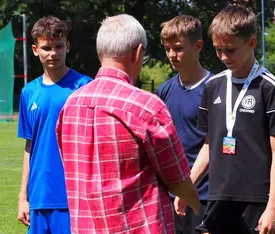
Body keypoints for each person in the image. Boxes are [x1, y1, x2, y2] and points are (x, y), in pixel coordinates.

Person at [56, 14, 200, 234]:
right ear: (138, 52)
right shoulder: (146, 106)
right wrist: (198, 205)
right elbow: (178, 180)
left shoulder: (70, 105)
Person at [179, 5, 275, 234]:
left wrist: (273, 206)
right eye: (218, 50)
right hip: (219, 198)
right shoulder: (213, 85)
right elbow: (209, 145)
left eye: (230, 50)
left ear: (251, 43)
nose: (223, 57)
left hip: (258, 200)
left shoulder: (269, 86)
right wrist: (187, 186)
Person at [17, 16, 92, 234]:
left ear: (67, 46)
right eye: (46, 47)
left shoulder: (84, 87)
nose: (53, 53)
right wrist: (23, 197)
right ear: (35, 49)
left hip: (73, 195)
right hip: (39, 196)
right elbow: (29, 147)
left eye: (58, 46)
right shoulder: (28, 92)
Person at [156, 15, 214, 234]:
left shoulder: (215, 88)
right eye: (168, 48)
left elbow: (213, 145)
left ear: (198, 46)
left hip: (204, 196)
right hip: (170, 195)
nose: (172, 55)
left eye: (178, 48)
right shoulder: (164, 90)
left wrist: (187, 188)